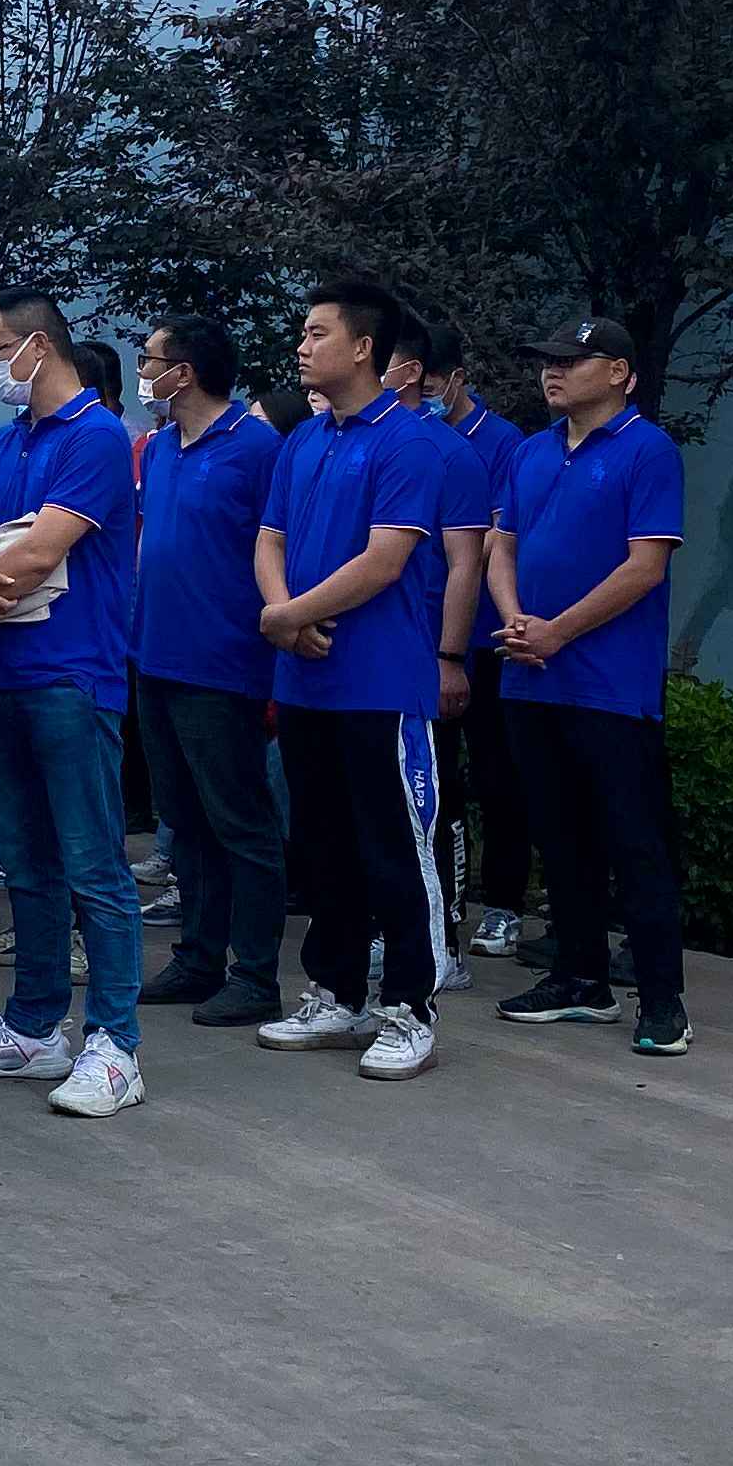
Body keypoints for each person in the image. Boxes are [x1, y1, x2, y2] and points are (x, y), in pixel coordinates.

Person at [0, 287, 147, 1118]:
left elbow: (36, 553)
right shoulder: (6, 439)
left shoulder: (95, 436)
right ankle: (33, 1024)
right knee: (25, 863)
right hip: (0, 674)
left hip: (71, 675)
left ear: (39, 347)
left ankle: (116, 1045)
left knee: (93, 864)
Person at [252, 277, 453, 1079]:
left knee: (394, 850)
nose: (302, 347)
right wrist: (283, 615)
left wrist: (289, 615)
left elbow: (385, 560)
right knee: (322, 845)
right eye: (303, 334)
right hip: (305, 681)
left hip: (380, 684)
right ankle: (336, 994)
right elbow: (269, 538)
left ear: (365, 347)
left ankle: (410, 1008)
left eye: (317, 333)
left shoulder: (407, 442)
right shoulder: (303, 439)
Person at [486, 317, 691, 1055]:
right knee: (559, 836)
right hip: (531, 678)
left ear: (620, 373)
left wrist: (559, 631)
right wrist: (514, 619)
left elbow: (646, 566)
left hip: (609, 686)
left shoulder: (647, 450)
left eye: (574, 360)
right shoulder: (531, 450)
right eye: (549, 361)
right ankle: (579, 977)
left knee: (632, 842)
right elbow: (501, 544)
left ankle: (662, 1001)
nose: (555, 371)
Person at [129, 316, 288, 1027]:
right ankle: (198, 959)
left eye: (150, 360)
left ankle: (254, 974)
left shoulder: (257, 448)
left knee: (239, 821)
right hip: (155, 655)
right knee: (184, 818)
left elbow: (280, 547)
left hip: (222, 664)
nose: (144, 372)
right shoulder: (163, 447)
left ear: (184, 372)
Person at [404, 324, 533, 959]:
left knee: (496, 774)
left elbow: (488, 544)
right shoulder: (404, 438)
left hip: (481, 641)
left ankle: (503, 904)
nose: (423, 394)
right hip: (417, 635)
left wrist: (454, 648)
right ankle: (430, 915)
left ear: (457, 378)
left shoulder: (500, 443)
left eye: (431, 383)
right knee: (433, 780)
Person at [380, 318, 492, 993]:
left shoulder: (451, 454)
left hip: (423, 655)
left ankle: (441, 941)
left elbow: (465, 563)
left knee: (430, 800)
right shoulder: (358, 442)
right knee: (375, 807)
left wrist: (450, 656)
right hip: (366, 659)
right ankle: (386, 931)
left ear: (413, 372)